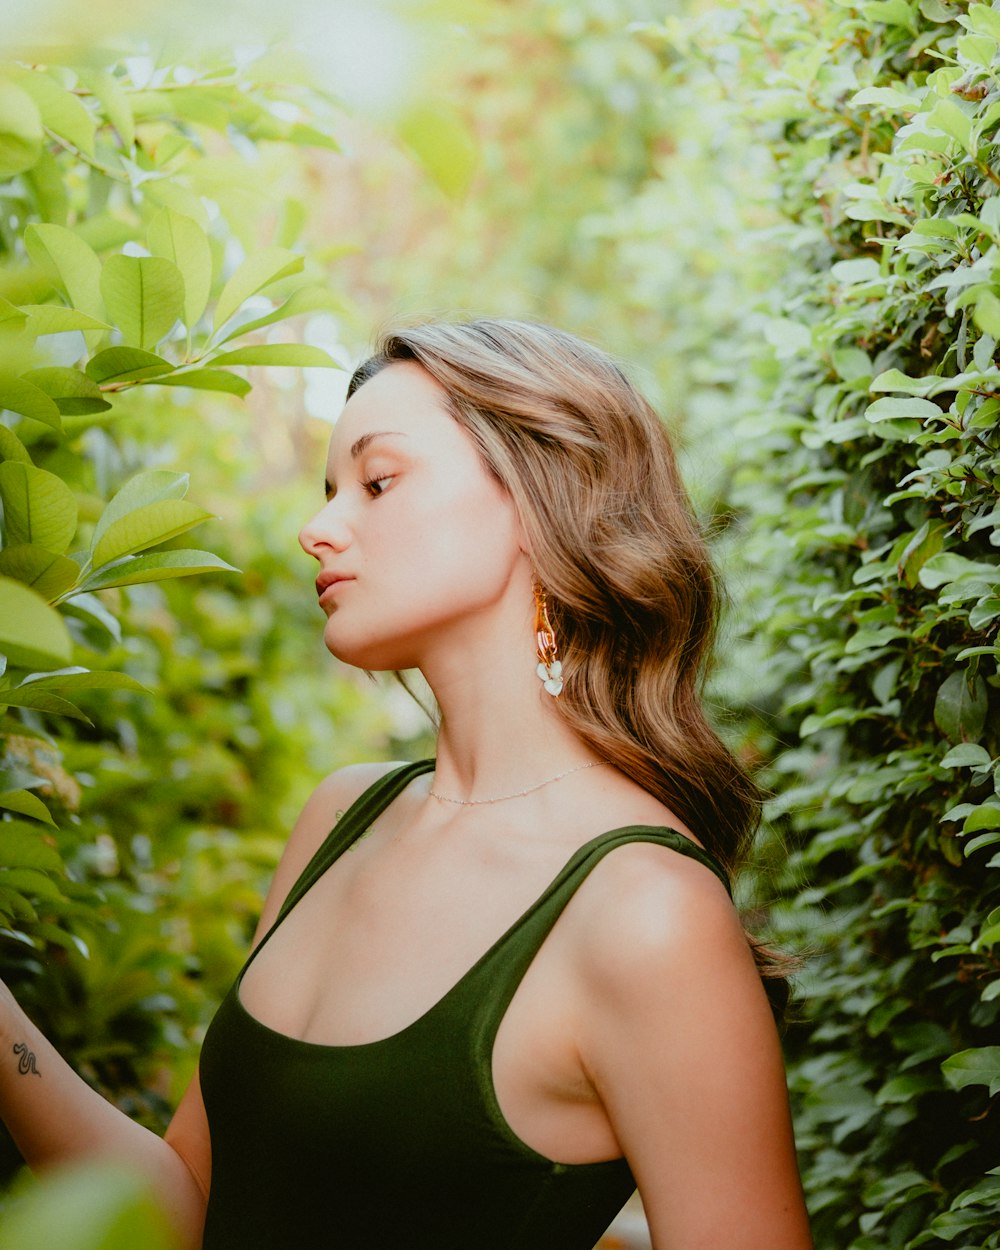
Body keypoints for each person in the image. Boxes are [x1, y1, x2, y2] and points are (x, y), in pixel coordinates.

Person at [0, 319, 813, 1249]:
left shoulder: (646, 912)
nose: (317, 529)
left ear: (541, 501)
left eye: (377, 482)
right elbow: (183, 1210)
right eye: (328, 491)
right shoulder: (345, 815)